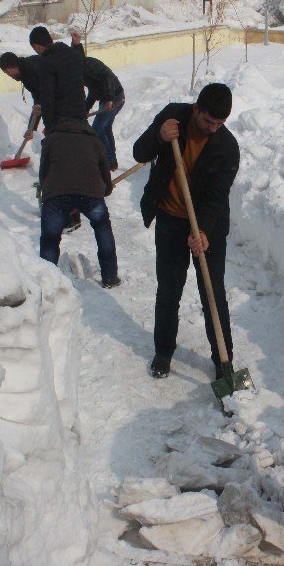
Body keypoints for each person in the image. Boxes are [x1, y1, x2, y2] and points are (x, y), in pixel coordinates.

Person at [133, 83, 239, 379]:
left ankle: (223, 363)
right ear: (196, 109)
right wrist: (158, 136)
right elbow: (139, 152)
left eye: (220, 124)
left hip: (209, 226)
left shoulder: (227, 148)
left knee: (212, 292)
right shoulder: (173, 119)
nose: (213, 128)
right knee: (169, 289)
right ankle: (163, 351)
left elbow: (217, 196)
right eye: (208, 121)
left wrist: (203, 230)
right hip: (169, 220)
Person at [37, 111, 120, 289]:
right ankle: (110, 277)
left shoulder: (51, 140)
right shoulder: (95, 141)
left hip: (57, 194)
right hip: (91, 193)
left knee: (50, 238)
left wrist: (48, 193)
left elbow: (44, 172)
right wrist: (105, 189)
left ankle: (47, 284)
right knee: (102, 228)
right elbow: (105, 173)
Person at [70, 34, 125, 171]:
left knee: (98, 129)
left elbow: (108, 78)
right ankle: (112, 162)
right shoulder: (81, 72)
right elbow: (93, 92)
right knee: (105, 128)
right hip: (107, 98)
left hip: (116, 97)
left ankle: (108, 161)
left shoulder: (90, 65)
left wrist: (109, 99)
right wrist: (85, 110)